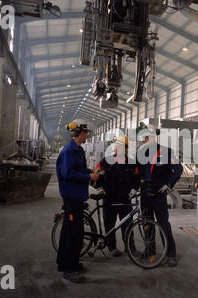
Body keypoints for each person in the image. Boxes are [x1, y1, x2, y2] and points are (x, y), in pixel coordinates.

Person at [56, 119, 99, 283]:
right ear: (81, 133)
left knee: (68, 230)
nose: (87, 136)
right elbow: (68, 174)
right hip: (71, 196)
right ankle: (69, 269)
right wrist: (89, 177)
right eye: (86, 133)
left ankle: (63, 263)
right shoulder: (69, 150)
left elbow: (75, 169)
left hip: (76, 196)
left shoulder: (77, 149)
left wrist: (87, 171)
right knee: (75, 233)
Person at [135, 123, 183, 267]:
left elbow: (178, 169)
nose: (142, 140)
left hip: (158, 193)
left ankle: (171, 254)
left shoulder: (167, 152)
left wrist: (168, 185)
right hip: (145, 193)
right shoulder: (140, 153)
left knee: (163, 223)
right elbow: (137, 172)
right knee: (147, 222)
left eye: (144, 137)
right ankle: (150, 250)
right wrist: (134, 187)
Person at [93, 136, 139, 257]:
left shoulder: (132, 163)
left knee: (128, 225)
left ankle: (130, 248)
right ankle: (112, 247)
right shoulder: (105, 162)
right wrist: (99, 187)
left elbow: (137, 178)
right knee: (109, 224)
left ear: (126, 148)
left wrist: (135, 188)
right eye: (116, 146)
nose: (116, 148)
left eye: (119, 146)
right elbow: (95, 175)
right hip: (109, 199)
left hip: (125, 200)